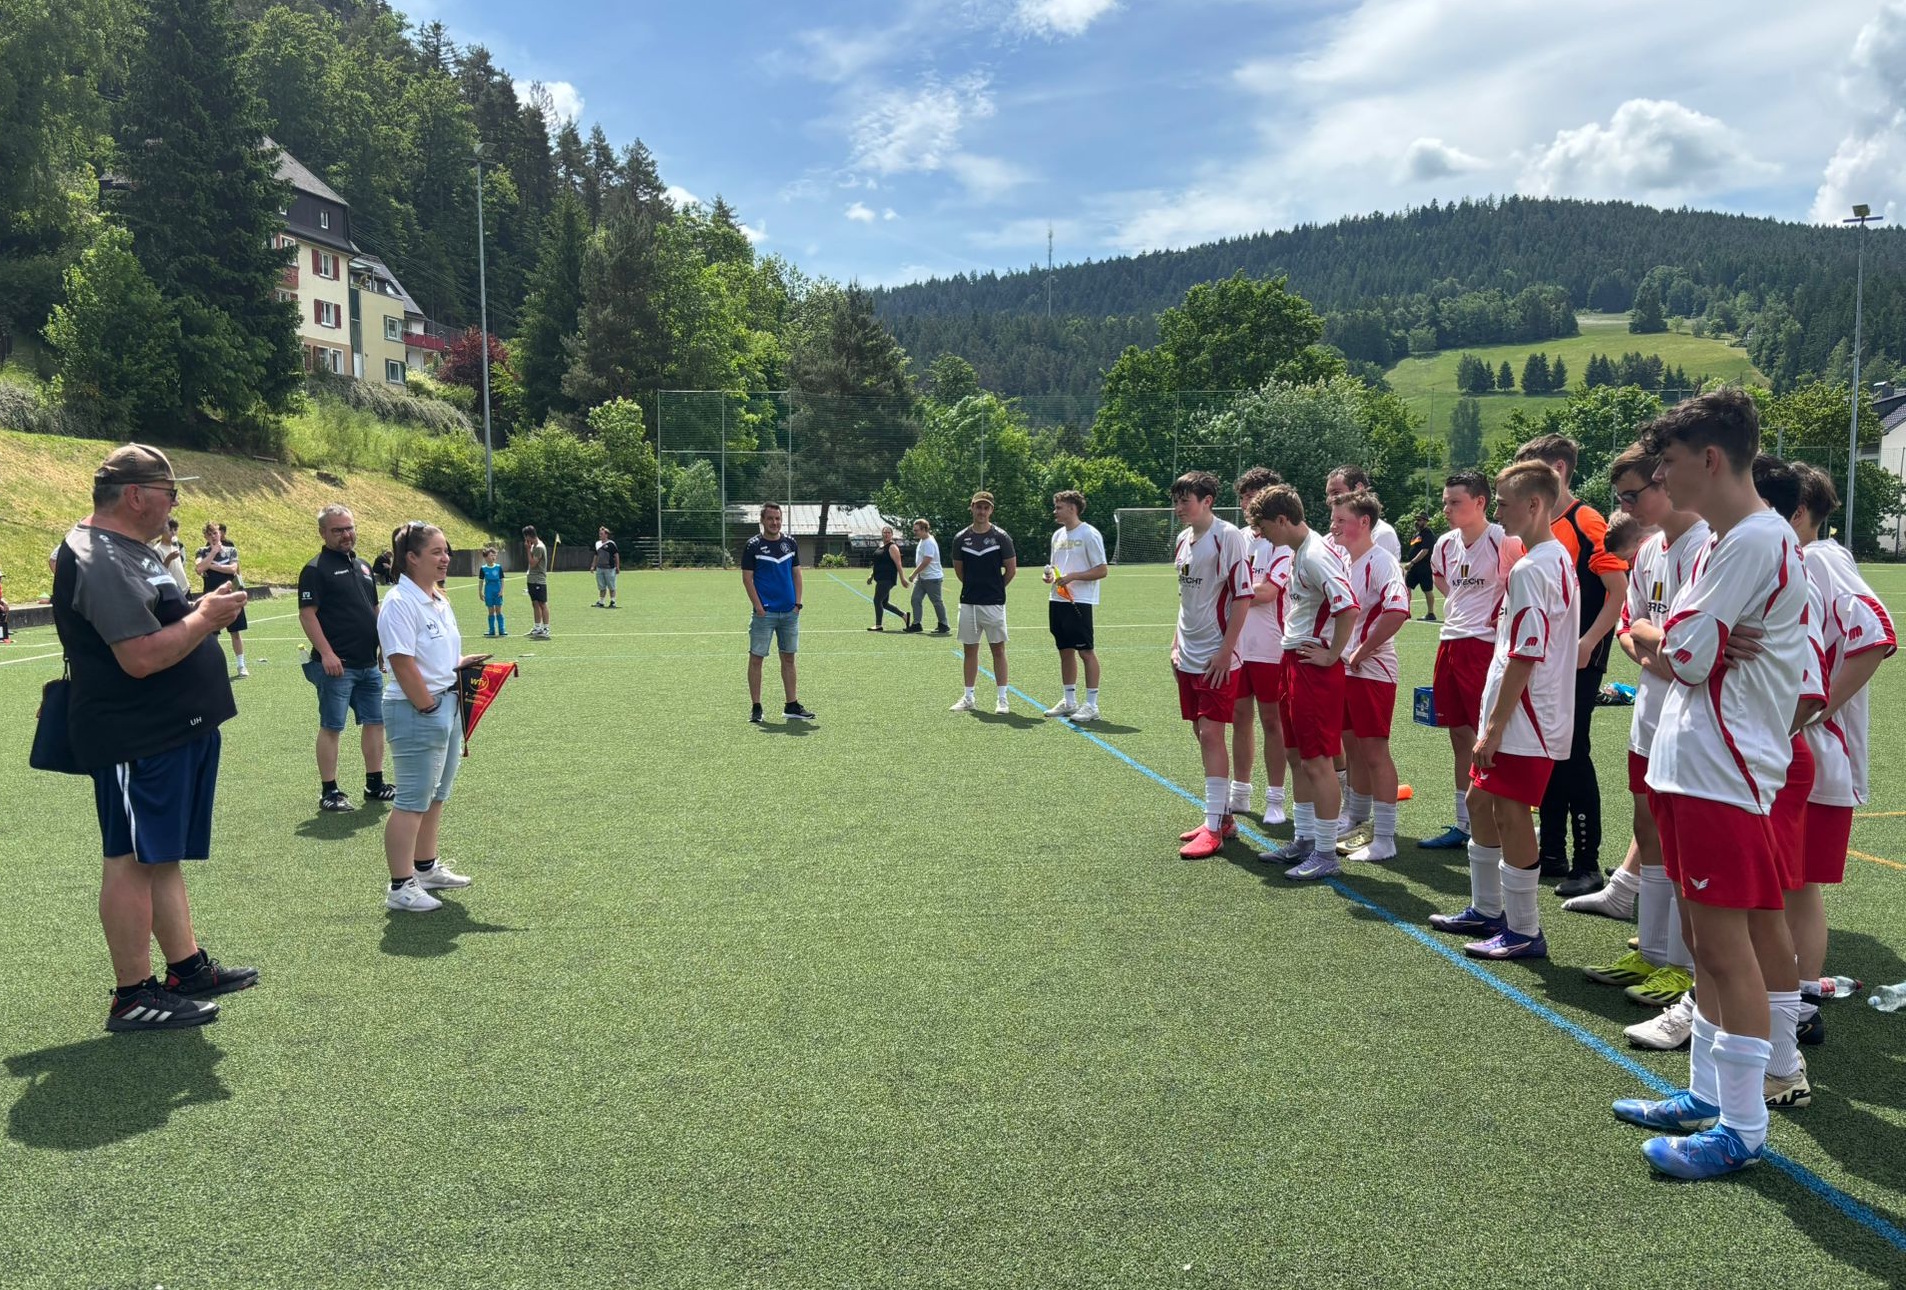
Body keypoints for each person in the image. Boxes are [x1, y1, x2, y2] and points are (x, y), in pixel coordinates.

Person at [1611, 389, 1809, 1180]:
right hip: (1693, 763)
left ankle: (1742, 1126)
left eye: (1667, 463)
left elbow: (1683, 655)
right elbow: (1678, 645)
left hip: (1724, 770)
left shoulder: (1750, 542)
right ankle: (1705, 1095)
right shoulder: (1727, 540)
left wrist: (1669, 638)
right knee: (1704, 944)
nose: (1660, 477)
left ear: (1711, 459)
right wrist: (1672, 638)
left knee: (1729, 953)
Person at [51, 444, 257, 1030]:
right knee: (130, 859)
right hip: (136, 736)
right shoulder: (99, 555)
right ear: (137, 495)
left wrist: (196, 607)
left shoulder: (126, 549)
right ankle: (132, 993)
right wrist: (204, 618)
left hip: (169, 730)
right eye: (171, 493)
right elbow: (139, 658)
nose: (176, 505)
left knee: (157, 857)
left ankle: (185, 967)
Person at [1570, 445, 1708, 1051]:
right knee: (1648, 829)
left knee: (1684, 846)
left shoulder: (1710, 545)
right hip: (1651, 714)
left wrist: (1656, 644)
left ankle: (1683, 966)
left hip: (1694, 724)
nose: (1624, 508)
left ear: (1668, 483)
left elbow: (1687, 653)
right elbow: (1634, 630)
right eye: (1620, 497)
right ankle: (1653, 954)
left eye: (1633, 495)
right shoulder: (1648, 551)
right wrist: (1652, 644)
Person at [1427, 461, 1578, 960]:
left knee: (1511, 815)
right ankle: (1488, 909)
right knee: (1478, 804)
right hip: (1521, 715)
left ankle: (1525, 931)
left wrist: (1492, 728)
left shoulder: (1534, 567)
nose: (1499, 509)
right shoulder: (1547, 559)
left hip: (1526, 721)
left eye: (1505, 501)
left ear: (1534, 505)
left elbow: (1526, 654)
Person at [1785, 463, 1893, 1048]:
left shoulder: (1822, 559)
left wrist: (1818, 710)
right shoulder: (1792, 560)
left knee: (1795, 884)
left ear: (1798, 512)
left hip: (1817, 756)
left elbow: (1876, 634)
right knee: (1783, 883)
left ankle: (1799, 1000)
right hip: (1790, 751)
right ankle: (1787, 993)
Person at [1515, 434, 1629, 897]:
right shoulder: (1537, 526)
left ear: (1558, 469)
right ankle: (1554, 852)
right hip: (1551, 659)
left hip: (1582, 656)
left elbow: (1617, 590)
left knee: (1574, 751)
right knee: (1551, 749)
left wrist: (1588, 642)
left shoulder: (1586, 520)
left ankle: (1588, 863)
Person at [1251, 485, 1356, 878]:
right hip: (1294, 660)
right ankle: (1307, 838)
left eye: (1264, 527)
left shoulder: (1314, 554)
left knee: (1317, 761)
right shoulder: (1301, 552)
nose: (1261, 535)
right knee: (1297, 755)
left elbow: (1349, 607)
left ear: (1282, 519)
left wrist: (1331, 654)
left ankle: (1326, 854)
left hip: (1314, 668)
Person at [378, 522, 481, 912]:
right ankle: (400, 886)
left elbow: (430, 655)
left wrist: (458, 665)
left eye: (446, 551)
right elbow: (401, 662)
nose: (445, 559)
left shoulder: (437, 598)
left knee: (436, 794)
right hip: (418, 708)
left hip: (445, 702)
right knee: (411, 800)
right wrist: (427, 705)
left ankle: (425, 867)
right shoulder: (400, 602)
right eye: (437, 552)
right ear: (412, 558)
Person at [1168, 472, 1254, 859]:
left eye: (1186, 499)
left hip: (1217, 658)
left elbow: (1243, 597)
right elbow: (1185, 601)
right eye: (1177, 500)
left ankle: (1214, 825)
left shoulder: (1229, 536)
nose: (1179, 507)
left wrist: (1225, 651)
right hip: (1186, 656)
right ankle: (1221, 818)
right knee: (1201, 733)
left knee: (1211, 735)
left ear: (1207, 500)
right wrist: (1175, 645)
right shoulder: (1183, 540)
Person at [1419, 472, 1507, 851]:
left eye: (1455, 502)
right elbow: (1442, 580)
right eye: (1444, 502)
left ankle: (1502, 821)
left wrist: (1492, 612)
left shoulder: (1503, 540)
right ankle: (1465, 823)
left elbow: (1523, 580)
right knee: (1459, 734)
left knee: (1488, 737)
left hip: (1483, 646)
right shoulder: (1444, 544)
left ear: (1480, 503)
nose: (1446, 509)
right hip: (1450, 642)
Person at [1330, 489, 1411, 862]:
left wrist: (1361, 651)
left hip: (1371, 670)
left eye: (1340, 519)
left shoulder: (1382, 562)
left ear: (1363, 523)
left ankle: (1385, 838)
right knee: (1354, 747)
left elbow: (1397, 610)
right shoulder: (1343, 559)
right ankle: (1356, 818)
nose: (1333, 526)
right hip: (1345, 669)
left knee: (1375, 752)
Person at [297, 505, 393, 815]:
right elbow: (307, 615)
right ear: (322, 533)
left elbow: (373, 609)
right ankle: (330, 791)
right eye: (337, 530)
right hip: (337, 667)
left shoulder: (364, 566)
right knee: (332, 726)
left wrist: (384, 646)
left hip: (368, 664)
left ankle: (374, 783)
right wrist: (326, 653)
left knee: (376, 722)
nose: (346, 534)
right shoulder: (314, 569)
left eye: (349, 528)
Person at [1231, 467, 1292, 824]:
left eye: (1253, 497)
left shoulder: (1281, 541)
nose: (1247, 504)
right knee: (1239, 718)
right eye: (1243, 497)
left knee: (1272, 721)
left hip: (1271, 645)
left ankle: (1275, 798)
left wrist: (1233, 591)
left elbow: (1269, 592)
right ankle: (1240, 792)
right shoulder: (1237, 538)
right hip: (1237, 644)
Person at [741, 502, 815, 724]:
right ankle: (756, 707)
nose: (775, 522)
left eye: (778, 518)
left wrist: (797, 604)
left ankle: (791, 705)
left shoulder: (790, 543)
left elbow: (797, 574)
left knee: (789, 657)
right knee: (756, 659)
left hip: (789, 613)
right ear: (762, 520)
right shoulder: (753, 545)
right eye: (770, 518)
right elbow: (747, 578)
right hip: (765, 614)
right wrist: (759, 607)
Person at [1042, 490, 1108, 721]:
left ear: (1072, 508)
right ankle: (1069, 700)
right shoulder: (1057, 535)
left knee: (1086, 652)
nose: (1055, 511)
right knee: (1065, 650)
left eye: (1059, 507)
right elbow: (1054, 565)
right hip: (1057, 599)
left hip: (1079, 601)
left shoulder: (1089, 534)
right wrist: (1049, 575)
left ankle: (1092, 705)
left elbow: (1102, 570)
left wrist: (1072, 577)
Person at [950, 492, 1017, 715]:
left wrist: (995, 589)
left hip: (994, 603)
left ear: (991, 510)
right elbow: (960, 571)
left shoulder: (1001, 537)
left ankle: (1002, 698)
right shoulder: (961, 538)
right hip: (968, 602)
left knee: (998, 650)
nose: (982, 511)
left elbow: (1010, 570)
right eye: (978, 507)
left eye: (986, 508)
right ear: (972, 508)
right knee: (970, 650)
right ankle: (969, 696)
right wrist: (975, 588)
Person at [195, 521, 249, 678]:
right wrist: (212, 553)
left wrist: (211, 565)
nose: (213, 536)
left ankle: (241, 665)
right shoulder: (201, 551)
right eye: (209, 534)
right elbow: (199, 568)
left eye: (215, 533)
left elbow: (232, 569)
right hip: (211, 599)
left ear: (220, 534)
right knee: (212, 635)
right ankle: (214, 668)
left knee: (235, 633)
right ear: (205, 536)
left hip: (231, 597)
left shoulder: (231, 550)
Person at [1326, 465, 1402, 560]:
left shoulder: (1382, 534)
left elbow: (1365, 571)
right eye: (1328, 495)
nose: (1329, 500)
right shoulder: (1331, 538)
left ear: (1359, 489)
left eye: (1336, 493)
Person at [905, 518, 949, 635]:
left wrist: (914, 573)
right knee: (915, 599)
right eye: (914, 530)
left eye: (916, 530)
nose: (915, 533)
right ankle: (916, 624)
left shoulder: (929, 542)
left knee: (936, 601)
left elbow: (927, 561)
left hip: (932, 578)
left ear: (924, 529)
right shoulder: (923, 540)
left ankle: (943, 625)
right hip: (923, 577)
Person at [865, 525, 911, 631]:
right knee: (884, 603)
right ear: (882, 534)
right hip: (880, 578)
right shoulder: (881, 547)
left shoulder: (892, 547)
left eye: (888, 532)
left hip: (887, 578)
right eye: (884, 532)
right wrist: (871, 576)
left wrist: (902, 578)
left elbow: (898, 564)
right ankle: (904, 615)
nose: (886, 534)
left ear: (892, 535)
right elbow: (878, 564)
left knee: (877, 600)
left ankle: (878, 625)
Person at [1404, 516, 1437, 621]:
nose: (1417, 522)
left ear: (1426, 522)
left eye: (1419, 520)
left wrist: (1412, 562)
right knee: (1406, 587)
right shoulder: (1417, 534)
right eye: (1416, 520)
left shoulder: (1428, 533)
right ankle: (1406, 611)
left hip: (1424, 567)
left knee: (1427, 589)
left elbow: (1425, 550)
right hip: (1414, 568)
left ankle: (1431, 613)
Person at [522, 525, 551, 640]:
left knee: (542, 603)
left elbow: (533, 563)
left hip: (539, 580)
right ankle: (537, 627)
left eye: (525, 537)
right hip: (532, 579)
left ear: (529, 536)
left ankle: (546, 628)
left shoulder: (539, 547)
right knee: (535, 603)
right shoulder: (535, 546)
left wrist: (528, 550)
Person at [156, 517, 189, 593]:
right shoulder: (158, 550)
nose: (173, 533)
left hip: (185, 588)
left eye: (175, 530)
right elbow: (159, 572)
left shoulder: (176, 546)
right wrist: (169, 559)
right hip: (173, 591)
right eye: (170, 530)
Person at [479, 546, 506, 637]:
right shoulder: (483, 569)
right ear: (486, 557)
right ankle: (491, 630)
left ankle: (502, 630)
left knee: (498, 611)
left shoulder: (498, 567)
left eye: (494, 555)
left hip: (497, 591)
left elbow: (502, 580)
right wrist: (480, 592)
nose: (493, 557)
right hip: (488, 591)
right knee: (491, 611)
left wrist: (502, 591)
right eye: (491, 555)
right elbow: (481, 582)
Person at [592, 526, 620, 608]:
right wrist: (593, 565)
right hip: (600, 568)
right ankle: (601, 602)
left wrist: (617, 566)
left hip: (610, 568)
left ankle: (613, 601)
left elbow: (616, 555)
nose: (600, 535)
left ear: (606, 535)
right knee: (601, 586)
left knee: (611, 586)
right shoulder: (597, 544)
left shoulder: (611, 544)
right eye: (599, 534)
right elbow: (596, 555)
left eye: (601, 534)